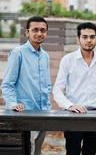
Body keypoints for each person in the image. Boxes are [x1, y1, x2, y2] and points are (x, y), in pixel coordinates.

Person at [53, 22, 96, 155]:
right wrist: (70, 106)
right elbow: (57, 90)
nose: (89, 40)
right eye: (84, 37)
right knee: (72, 152)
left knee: (90, 153)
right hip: (73, 115)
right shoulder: (67, 60)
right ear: (78, 39)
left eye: (92, 37)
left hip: (95, 114)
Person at [1, 16, 51, 155]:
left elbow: (45, 85)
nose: (39, 33)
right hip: (23, 115)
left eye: (43, 30)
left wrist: (47, 108)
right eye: (35, 30)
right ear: (27, 32)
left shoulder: (45, 55)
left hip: (42, 114)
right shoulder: (18, 53)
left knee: (37, 152)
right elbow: (7, 84)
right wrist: (13, 104)